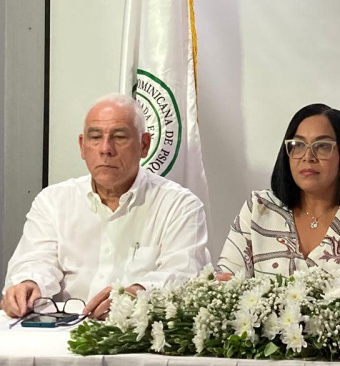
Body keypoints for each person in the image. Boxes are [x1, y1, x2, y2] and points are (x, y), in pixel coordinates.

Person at [2, 94, 210, 320]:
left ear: (144, 145)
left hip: (135, 338)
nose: (105, 148)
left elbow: (183, 274)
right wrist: (29, 284)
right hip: (57, 334)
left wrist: (136, 294)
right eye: (95, 138)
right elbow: (36, 260)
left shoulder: (179, 205)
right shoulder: (53, 201)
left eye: (119, 137)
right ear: (82, 146)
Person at [216, 103, 340, 277]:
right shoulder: (259, 208)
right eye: (298, 145)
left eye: (322, 146)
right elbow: (224, 284)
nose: (308, 156)